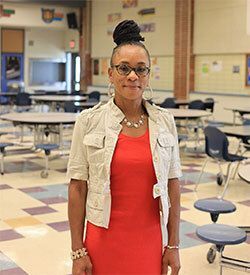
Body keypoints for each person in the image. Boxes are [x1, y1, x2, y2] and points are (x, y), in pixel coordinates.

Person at [67, 20, 182, 275]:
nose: (133, 76)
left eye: (141, 69)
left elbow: (173, 186)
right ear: (110, 73)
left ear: (148, 74)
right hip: (102, 241)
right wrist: (77, 250)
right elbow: (77, 188)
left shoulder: (164, 122)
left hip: (149, 242)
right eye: (124, 68)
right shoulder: (88, 122)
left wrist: (173, 244)